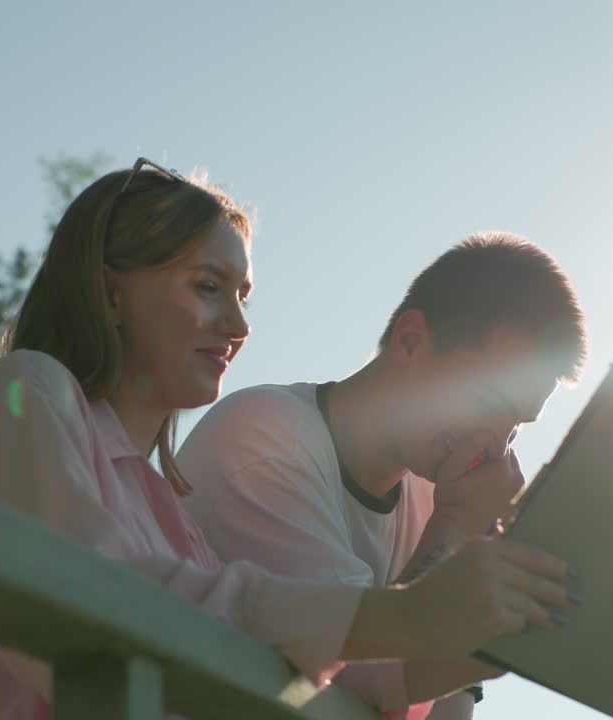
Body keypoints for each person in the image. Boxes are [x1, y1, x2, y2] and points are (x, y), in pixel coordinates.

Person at [0, 160, 575, 720]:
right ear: (110, 290)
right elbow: (100, 599)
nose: (238, 327)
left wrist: (509, 623)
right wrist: (410, 612)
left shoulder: (168, 516)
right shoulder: (28, 392)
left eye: (243, 296)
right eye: (208, 287)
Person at [178, 232, 588, 719]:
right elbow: (355, 683)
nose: (496, 446)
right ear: (410, 342)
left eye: (517, 425)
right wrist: (455, 527)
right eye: (488, 404)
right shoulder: (264, 439)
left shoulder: (435, 488)